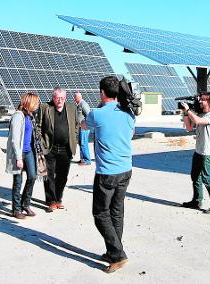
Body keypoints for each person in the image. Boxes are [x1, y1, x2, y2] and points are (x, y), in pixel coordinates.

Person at [83, 76, 135, 273]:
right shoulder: (129, 114)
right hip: (126, 170)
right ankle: (113, 250)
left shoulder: (97, 114)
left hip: (107, 173)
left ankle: (118, 254)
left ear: (102, 92)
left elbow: (85, 126)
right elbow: (129, 134)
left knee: (100, 213)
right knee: (116, 211)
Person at [180, 92, 210, 214]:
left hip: (207, 152)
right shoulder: (200, 114)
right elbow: (189, 128)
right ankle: (196, 201)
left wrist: (189, 111)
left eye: (203, 100)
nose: (200, 102)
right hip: (199, 151)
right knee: (195, 176)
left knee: (207, 177)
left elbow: (198, 121)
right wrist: (185, 112)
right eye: (200, 100)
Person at [37, 87, 79, 212]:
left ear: (65, 98)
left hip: (66, 148)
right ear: (53, 97)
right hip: (49, 148)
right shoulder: (45, 107)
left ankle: (58, 199)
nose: (59, 100)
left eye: (62, 98)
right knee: (48, 175)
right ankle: (51, 201)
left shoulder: (72, 108)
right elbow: (38, 126)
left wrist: (75, 140)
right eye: (57, 98)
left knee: (62, 176)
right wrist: (41, 142)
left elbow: (76, 126)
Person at [5, 93, 41, 219]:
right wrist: (18, 158)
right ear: (29, 103)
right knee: (18, 181)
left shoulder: (30, 116)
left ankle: (25, 203)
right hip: (18, 153)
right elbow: (15, 138)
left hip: (29, 151)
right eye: (35, 103)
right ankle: (16, 209)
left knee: (32, 176)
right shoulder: (18, 116)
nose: (37, 106)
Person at [74, 91, 92, 165]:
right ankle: (82, 159)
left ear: (79, 97)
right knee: (81, 143)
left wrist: (84, 123)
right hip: (80, 127)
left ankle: (87, 160)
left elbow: (89, 115)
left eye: (75, 97)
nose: (74, 99)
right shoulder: (78, 104)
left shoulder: (83, 104)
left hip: (84, 128)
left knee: (84, 143)